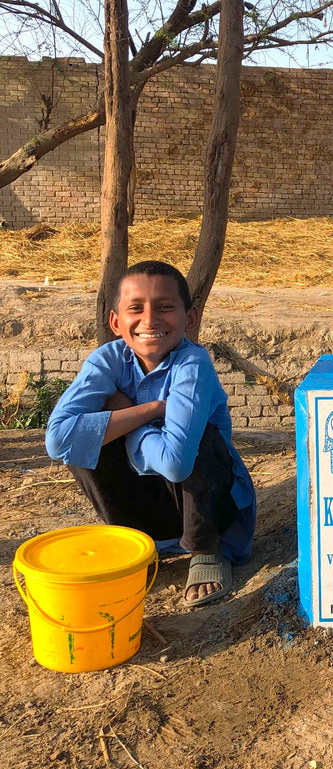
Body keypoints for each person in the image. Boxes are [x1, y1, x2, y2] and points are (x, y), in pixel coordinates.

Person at [45, 261, 256, 609]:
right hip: (153, 500)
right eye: (135, 308)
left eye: (164, 307)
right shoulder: (107, 360)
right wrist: (153, 410)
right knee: (85, 442)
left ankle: (206, 549)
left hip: (209, 505)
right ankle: (139, 542)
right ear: (116, 322)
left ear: (189, 319)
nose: (150, 319)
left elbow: (175, 463)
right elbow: (58, 440)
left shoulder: (192, 364)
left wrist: (129, 422)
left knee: (197, 436)